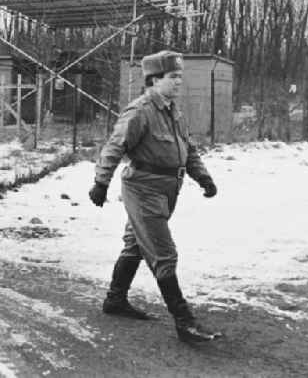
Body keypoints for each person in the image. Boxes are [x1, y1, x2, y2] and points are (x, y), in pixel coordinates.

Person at [89, 50, 221, 343]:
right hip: (143, 189)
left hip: (167, 189)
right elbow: (115, 146)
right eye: (173, 77)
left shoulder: (174, 112)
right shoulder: (140, 111)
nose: (178, 83)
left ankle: (115, 300)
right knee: (164, 253)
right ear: (154, 79)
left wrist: (204, 177)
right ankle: (184, 322)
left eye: (180, 77)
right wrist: (101, 182)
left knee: (136, 245)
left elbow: (188, 151)